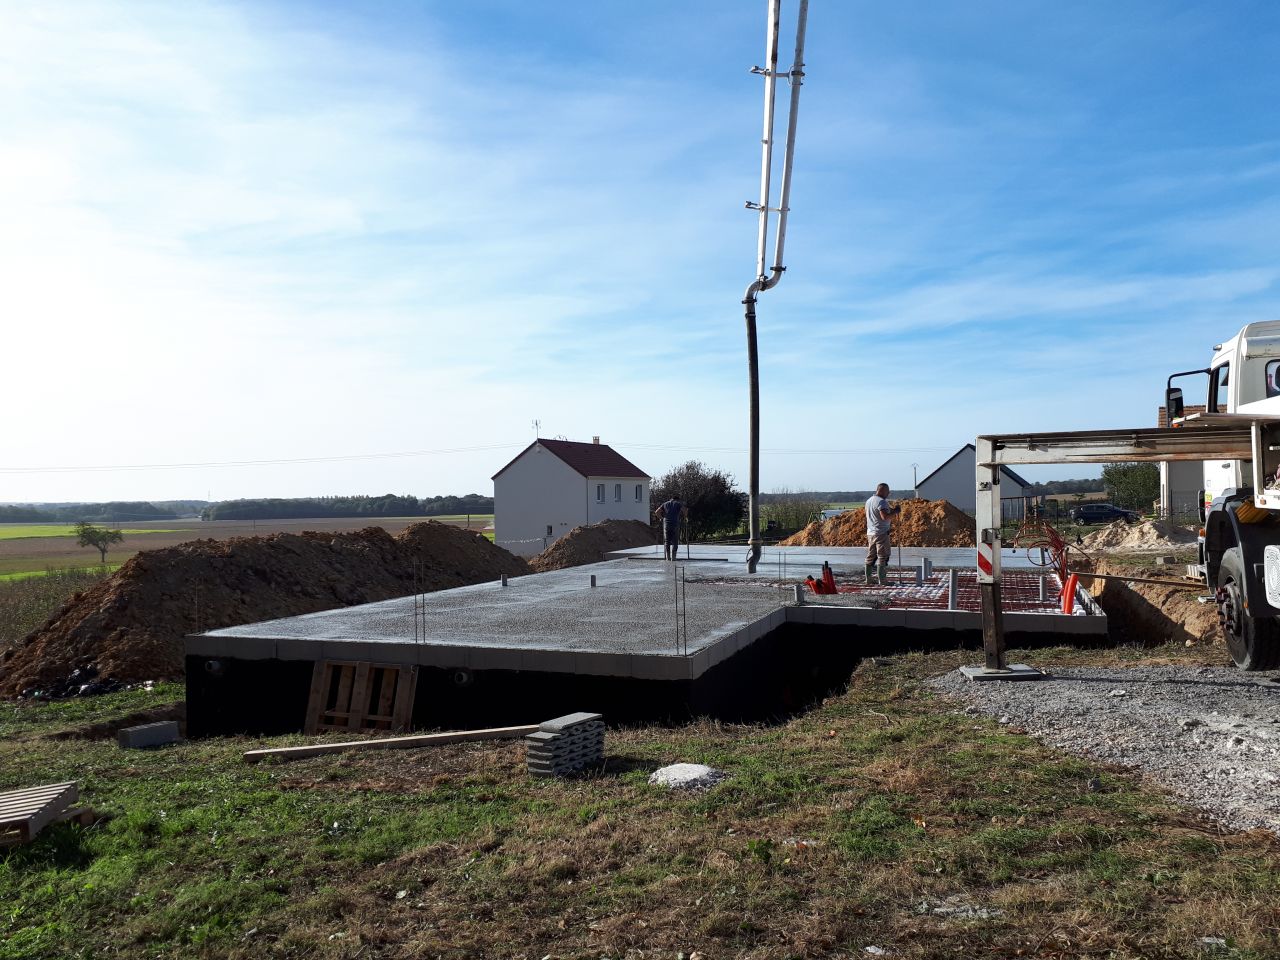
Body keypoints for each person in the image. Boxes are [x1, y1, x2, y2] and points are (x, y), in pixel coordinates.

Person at [864, 482, 901, 585]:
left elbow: (877, 513)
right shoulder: (881, 502)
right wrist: (896, 512)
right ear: (883, 490)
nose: (888, 493)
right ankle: (883, 580)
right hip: (881, 533)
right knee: (882, 556)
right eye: (887, 491)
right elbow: (884, 516)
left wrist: (892, 510)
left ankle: (868, 579)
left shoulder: (869, 501)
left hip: (870, 532)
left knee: (871, 556)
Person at [654, 497, 688, 561]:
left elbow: (656, 512)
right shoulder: (678, 503)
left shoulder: (665, 504)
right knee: (675, 541)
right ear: (677, 499)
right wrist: (685, 517)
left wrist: (661, 518)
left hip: (666, 524)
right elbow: (685, 510)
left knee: (667, 541)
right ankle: (674, 557)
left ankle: (668, 557)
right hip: (675, 524)